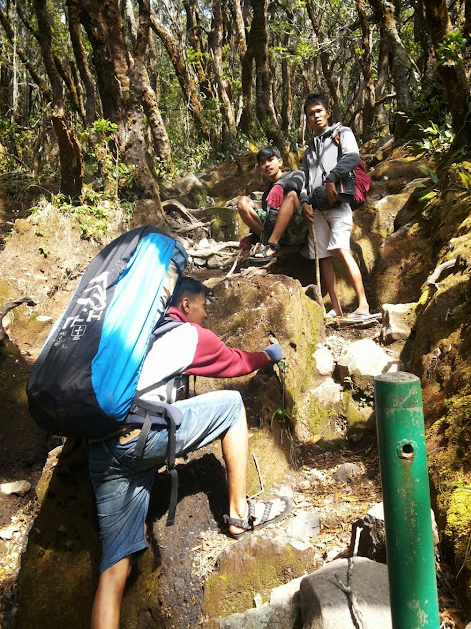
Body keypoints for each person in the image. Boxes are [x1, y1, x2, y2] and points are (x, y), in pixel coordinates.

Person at [88, 276, 291, 629]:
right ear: (185, 305)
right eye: (203, 305)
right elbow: (236, 363)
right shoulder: (188, 335)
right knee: (232, 404)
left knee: (115, 565)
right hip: (142, 438)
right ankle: (240, 514)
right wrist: (271, 354)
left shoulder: (140, 335)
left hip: (102, 446)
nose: (207, 313)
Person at [300, 93, 370, 318]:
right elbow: (306, 178)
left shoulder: (342, 133)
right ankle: (336, 308)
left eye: (319, 111)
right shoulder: (309, 150)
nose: (316, 116)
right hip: (317, 207)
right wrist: (303, 201)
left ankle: (363, 305)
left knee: (341, 248)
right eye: (311, 114)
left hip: (338, 203)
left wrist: (331, 178)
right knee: (323, 257)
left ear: (328, 113)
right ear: (307, 119)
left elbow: (353, 157)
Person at [237, 146, 306, 264]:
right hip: (279, 234)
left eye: (270, 160)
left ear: (280, 161)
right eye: (263, 162)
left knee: (291, 194)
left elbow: (297, 183)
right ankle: (264, 241)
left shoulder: (295, 174)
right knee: (243, 202)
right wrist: (251, 238)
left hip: (296, 231)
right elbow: (269, 219)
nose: (267, 164)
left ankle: (272, 246)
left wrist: (281, 186)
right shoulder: (266, 194)